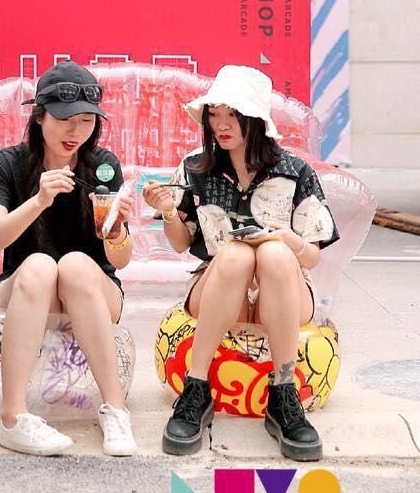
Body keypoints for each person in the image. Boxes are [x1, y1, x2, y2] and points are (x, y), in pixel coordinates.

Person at [143, 65, 339, 461]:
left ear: (256, 119)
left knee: (272, 253)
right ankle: (196, 390)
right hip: (218, 284)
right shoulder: (195, 168)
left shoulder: (295, 171)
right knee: (235, 254)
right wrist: (167, 211)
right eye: (214, 114)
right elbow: (181, 244)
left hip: (283, 286)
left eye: (232, 114)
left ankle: (283, 396)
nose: (221, 124)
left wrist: (286, 240)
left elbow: (313, 256)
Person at [0, 60, 137, 456]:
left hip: (93, 291)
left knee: (74, 265)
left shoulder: (103, 167)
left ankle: (116, 410)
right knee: (42, 265)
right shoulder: (7, 164)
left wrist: (117, 230)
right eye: (65, 120)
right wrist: (38, 200)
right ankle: (12, 419)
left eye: (86, 121)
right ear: (39, 116)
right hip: (25, 290)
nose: (75, 132)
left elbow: (120, 260)